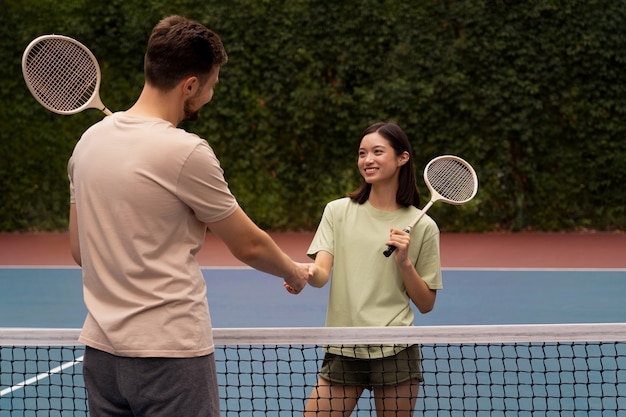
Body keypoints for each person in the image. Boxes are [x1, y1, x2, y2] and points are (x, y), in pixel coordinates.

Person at [68, 15, 313, 417]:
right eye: (212, 85)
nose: (211, 94)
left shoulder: (86, 144)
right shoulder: (186, 152)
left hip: (102, 357)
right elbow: (248, 244)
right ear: (190, 86)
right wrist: (292, 272)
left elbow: (80, 250)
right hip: (169, 356)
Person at [286, 121, 443, 417]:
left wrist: (404, 262)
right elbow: (321, 275)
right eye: (362, 153)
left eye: (377, 152)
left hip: (396, 348)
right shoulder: (337, 212)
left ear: (402, 158)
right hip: (344, 346)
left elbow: (426, 304)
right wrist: (304, 274)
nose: (367, 160)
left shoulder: (424, 227)